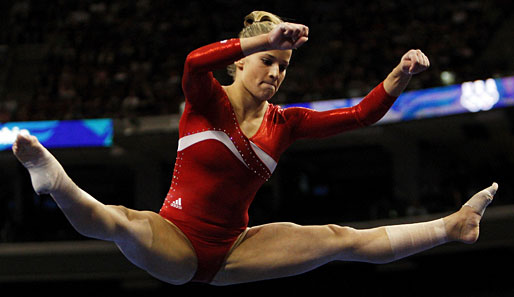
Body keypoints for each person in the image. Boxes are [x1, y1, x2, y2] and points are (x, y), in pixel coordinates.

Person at [12, 11, 498, 286]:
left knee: (338, 238)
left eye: (284, 67)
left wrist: (399, 75)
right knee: (119, 220)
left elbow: (360, 116)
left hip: (235, 250)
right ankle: (51, 176)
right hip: (175, 239)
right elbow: (192, 63)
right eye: (267, 61)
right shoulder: (206, 101)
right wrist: (262, 38)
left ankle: (451, 227)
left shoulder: (285, 124)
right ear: (242, 63)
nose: (276, 73)